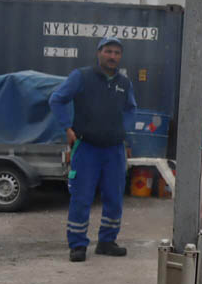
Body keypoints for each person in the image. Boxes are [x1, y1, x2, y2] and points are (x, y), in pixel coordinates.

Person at [49, 35, 137, 262]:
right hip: (87, 148)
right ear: (99, 53)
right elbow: (56, 99)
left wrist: (124, 134)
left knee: (114, 197)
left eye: (117, 53)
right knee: (82, 198)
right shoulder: (81, 77)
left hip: (114, 150)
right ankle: (78, 245)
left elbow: (131, 109)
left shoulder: (125, 83)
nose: (112, 56)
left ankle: (107, 242)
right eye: (108, 51)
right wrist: (67, 128)